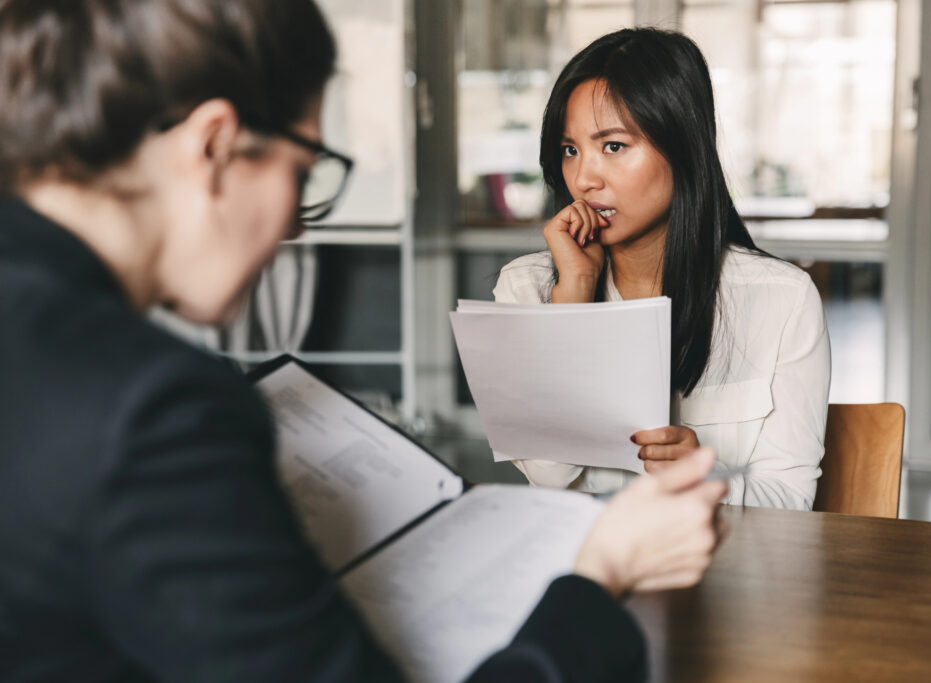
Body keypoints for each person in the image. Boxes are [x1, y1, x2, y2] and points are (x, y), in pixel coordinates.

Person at [0, 3, 727, 682]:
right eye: (303, 173)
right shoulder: (154, 410)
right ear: (215, 146)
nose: (295, 227)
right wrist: (598, 579)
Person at [494, 28, 831, 510]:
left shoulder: (782, 299)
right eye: (570, 150)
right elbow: (550, 476)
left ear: (683, 146)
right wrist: (574, 295)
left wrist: (707, 478)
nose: (584, 180)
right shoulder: (526, 287)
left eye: (612, 146)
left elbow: (790, 499)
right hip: (589, 571)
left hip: (726, 574)